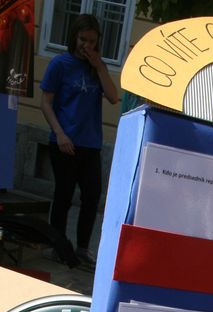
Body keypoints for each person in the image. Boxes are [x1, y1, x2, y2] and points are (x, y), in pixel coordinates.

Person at [40, 14, 118, 269]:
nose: (86, 45)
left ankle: (83, 248)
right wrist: (59, 133)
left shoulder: (97, 67)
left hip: (90, 143)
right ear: (74, 37)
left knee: (92, 197)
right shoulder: (60, 64)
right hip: (64, 142)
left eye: (92, 41)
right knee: (63, 195)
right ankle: (57, 247)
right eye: (83, 39)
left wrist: (100, 67)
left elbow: (113, 97)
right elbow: (46, 102)